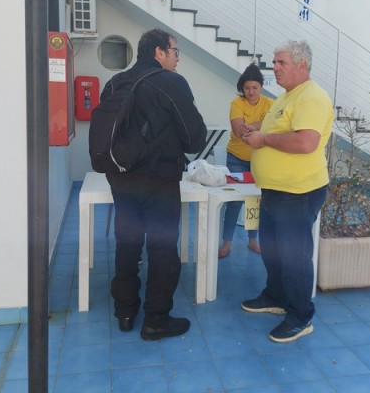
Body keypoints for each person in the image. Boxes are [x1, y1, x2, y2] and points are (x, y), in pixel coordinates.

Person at [106, 28, 207, 340]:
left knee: (127, 244)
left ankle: (125, 311)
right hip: (159, 180)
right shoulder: (172, 83)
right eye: (175, 52)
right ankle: (156, 320)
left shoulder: (115, 82)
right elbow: (195, 139)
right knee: (162, 248)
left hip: (121, 179)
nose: (177, 59)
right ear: (160, 52)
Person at [240, 40, 333, 343]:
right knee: (272, 248)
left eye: (281, 62)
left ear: (301, 65)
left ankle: (300, 317)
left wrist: (264, 140)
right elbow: (278, 130)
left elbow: (306, 142)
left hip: (298, 191)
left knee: (294, 257)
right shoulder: (286, 97)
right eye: (274, 62)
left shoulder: (311, 97)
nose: (275, 68)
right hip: (275, 189)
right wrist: (257, 131)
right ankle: (276, 296)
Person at [219, 64, 273, 258]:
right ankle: (226, 242)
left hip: (260, 160)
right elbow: (238, 130)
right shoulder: (237, 103)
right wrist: (261, 126)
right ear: (242, 88)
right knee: (234, 202)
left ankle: (252, 240)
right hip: (237, 159)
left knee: (255, 201)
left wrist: (251, 125)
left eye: (255, 88)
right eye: (247, 88)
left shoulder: (270, 104)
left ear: (261, 87)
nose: (251, 92)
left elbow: (274, 126)